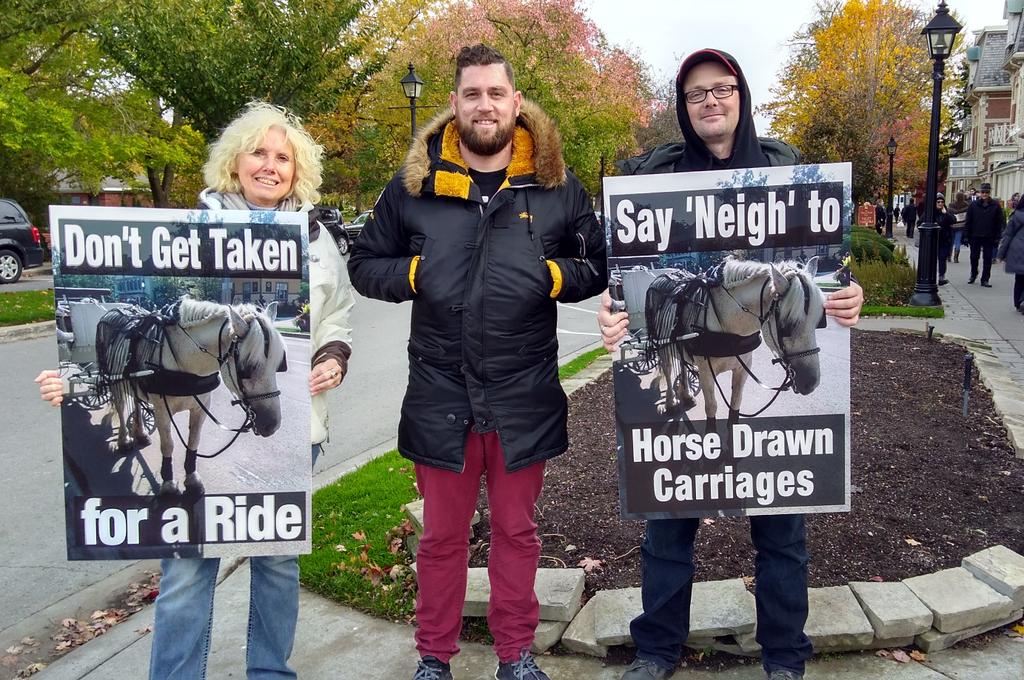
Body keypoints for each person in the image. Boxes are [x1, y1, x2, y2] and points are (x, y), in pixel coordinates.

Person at [36, 102, 355, 679]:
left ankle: (270, 673)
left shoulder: (315, 237)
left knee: (279, 564)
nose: (270, 165)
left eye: (283, 157)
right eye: (258, 152)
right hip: (167, 377)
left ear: (297, 170)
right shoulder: (188, 230)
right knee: (186, 568)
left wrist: (333, 354)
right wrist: (69, 376)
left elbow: (337, 314)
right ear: (234, 163)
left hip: (299, 425)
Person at [598, 48, 864, 680]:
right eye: (696, 94)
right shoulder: (651, 176)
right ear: (683, 108)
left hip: (755, 354)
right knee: (666, 529)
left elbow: (815, 276)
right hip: (685, 336)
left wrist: (842, 298)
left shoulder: (785, 168)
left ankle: (784, 655)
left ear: (741, 97)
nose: (710, 101)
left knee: (782, 535)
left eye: (721, 89)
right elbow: (630, 278)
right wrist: (619, 312)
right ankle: (657, 648)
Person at [348, 44, 605, 680]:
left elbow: (598, 265)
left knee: (517, 535)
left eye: (495, 93)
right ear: (455, 104)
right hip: (441, 393)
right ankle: (434, 658)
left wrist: (549, 275)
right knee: (440, 540)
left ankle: (515, 655)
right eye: (471, 94)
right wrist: (412, 271)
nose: (483, 105)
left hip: (524, 393)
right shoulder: (414, 187)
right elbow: (362, 263)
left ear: (516, 103)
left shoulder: (555, 187)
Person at [964, 182, 1005, 287]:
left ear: (989, 193)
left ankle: (985, 279)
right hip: (975, 235)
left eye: (986, 192)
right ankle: (973, 273)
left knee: (987, 259)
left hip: (989, 236)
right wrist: (966, 235)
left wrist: (998, 237)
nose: (985, 194)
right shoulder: (973, 205)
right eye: (983, 192)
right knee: (974, 257)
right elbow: (968, 221)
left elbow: (999, 222)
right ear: (980, 193)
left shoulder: (995, 205)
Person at [996, 194, 1024, 313]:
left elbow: (1008, 235)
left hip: (1018, 249)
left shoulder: (1016, 215)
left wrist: (1000, 254)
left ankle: (1018, 302)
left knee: (1019, 278)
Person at [934, 193, 956, 285]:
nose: (940, 203)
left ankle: (941, 277)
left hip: (944, 239)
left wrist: (945, 214)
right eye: (938, 202)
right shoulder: (930, 212)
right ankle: (931, 276)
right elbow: (920, 223)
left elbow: (953, 220)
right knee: (932, 259)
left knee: (942, 258)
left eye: (942, 202)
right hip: (933, 240)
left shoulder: (946, 212)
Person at [948, 191, 969, 263]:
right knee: (958, 242)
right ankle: (956, 257)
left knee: (950, 242)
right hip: (961, 225)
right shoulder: (966, 205)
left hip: (952, 225)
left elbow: (948, 214)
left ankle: (949, 256)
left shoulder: (951, 205)